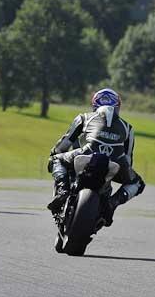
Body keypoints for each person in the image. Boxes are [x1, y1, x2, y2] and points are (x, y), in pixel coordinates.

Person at [47, 88, 145, 225]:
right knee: (138, 183)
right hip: (116, 162)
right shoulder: (128, 128)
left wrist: (54, 153)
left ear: (94, 105)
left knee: (56, 159)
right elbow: (128, 159)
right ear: (118, 107)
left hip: (86, 154)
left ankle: (62, 192)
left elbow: (64, 144)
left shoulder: (84, 117)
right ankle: (111, 204)